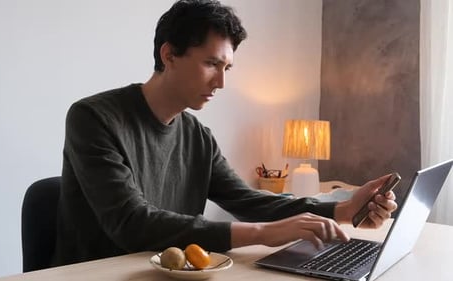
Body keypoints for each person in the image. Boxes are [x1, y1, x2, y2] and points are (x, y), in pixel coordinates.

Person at [53, 0, 397, 267]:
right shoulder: (93, 118)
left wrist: (344, 211)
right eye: (211, 64)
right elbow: (132, 223)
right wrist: (264, 234)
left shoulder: (197, 137)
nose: (221, 83)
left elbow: (247, 201)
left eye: (226, 68)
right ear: (169, 54)